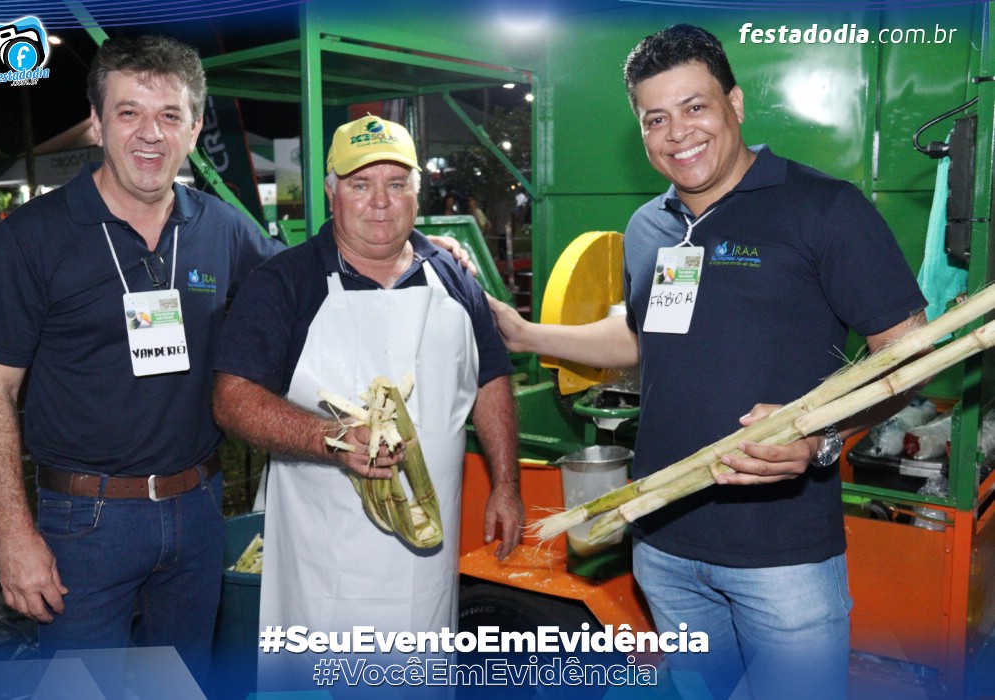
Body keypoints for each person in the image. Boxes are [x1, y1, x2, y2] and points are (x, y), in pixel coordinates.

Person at [487, 24, 928, 700]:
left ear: (736, 103)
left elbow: (907, 353)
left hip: (781, 556)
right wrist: (525, 334)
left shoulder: (823, 208)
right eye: (655, 118)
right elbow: (641, 339)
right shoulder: (650, 227)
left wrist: (822, 436)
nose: (677, 133)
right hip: (663, 544)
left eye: (695, 106)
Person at [0, 35, 288, 683]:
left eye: (170, 115)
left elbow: (298, 287)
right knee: (80, 687)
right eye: (129, 112)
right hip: (86, 522)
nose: (150, 133)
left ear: (193, 130)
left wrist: (415, 252)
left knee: (180, 686)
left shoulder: (221, 227)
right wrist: (14, 536)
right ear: (98, 124)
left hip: (198, 507)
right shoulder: (34, 236)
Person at [211, 115, 523, 688]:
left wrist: (506, 483)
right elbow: (233, 400)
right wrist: (331, 439)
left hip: (428, 567)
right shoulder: (285, 282)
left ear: (417, 194)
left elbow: (490, 380)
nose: (380, 202)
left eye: (396, 184)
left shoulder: (454, 279)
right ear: (331, 193)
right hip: (322, 567)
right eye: (361, 184)